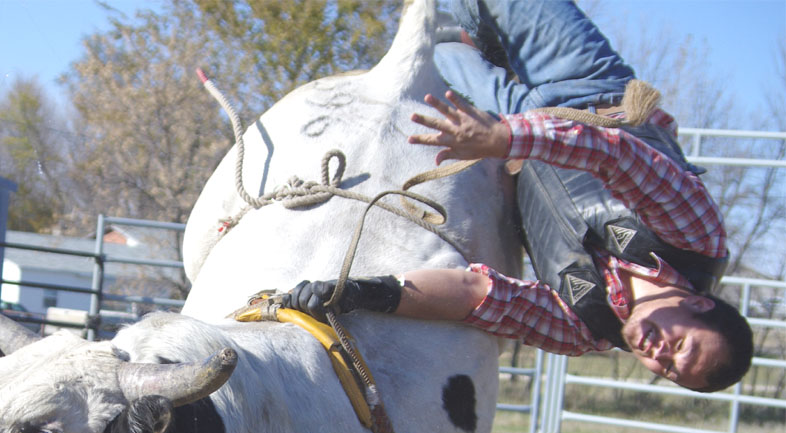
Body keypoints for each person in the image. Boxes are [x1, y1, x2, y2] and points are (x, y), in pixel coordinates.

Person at [286, 0, 753, 393]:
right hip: (585, 85)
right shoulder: (695, 239)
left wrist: (363, 292)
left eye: (667, 370)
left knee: (441, 40)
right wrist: (504, 139)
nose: (659, 355)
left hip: (508, 126)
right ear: (699, 306)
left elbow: (478, 297)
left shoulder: (584, 327)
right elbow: (617, 155)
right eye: (681, 346)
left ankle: (470, 37)